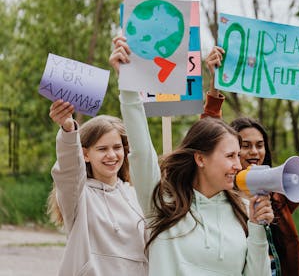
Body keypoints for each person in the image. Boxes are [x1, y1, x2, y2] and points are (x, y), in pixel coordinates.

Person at [110, 36, 273, 276]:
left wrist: (258, 228)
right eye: (230, 156)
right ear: (201, 159)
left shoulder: (244, 209)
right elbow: (142, 150)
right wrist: (128, 86)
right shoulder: (162, 202)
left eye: (238, 156)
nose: (238, 164)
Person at [204, 45, 299, 276]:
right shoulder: (216, 193)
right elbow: (209, 137)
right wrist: (215, 84)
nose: (254, 152)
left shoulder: (278, 198)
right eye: (244, 145)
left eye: (260, 145)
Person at [47, 100, 148, 276]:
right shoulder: (78, 197)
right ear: (85, 154)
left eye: (117, 147)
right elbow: (69, 171)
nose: (111, 155)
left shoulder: (136, 195)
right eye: (102, 149)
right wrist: (69, 130)